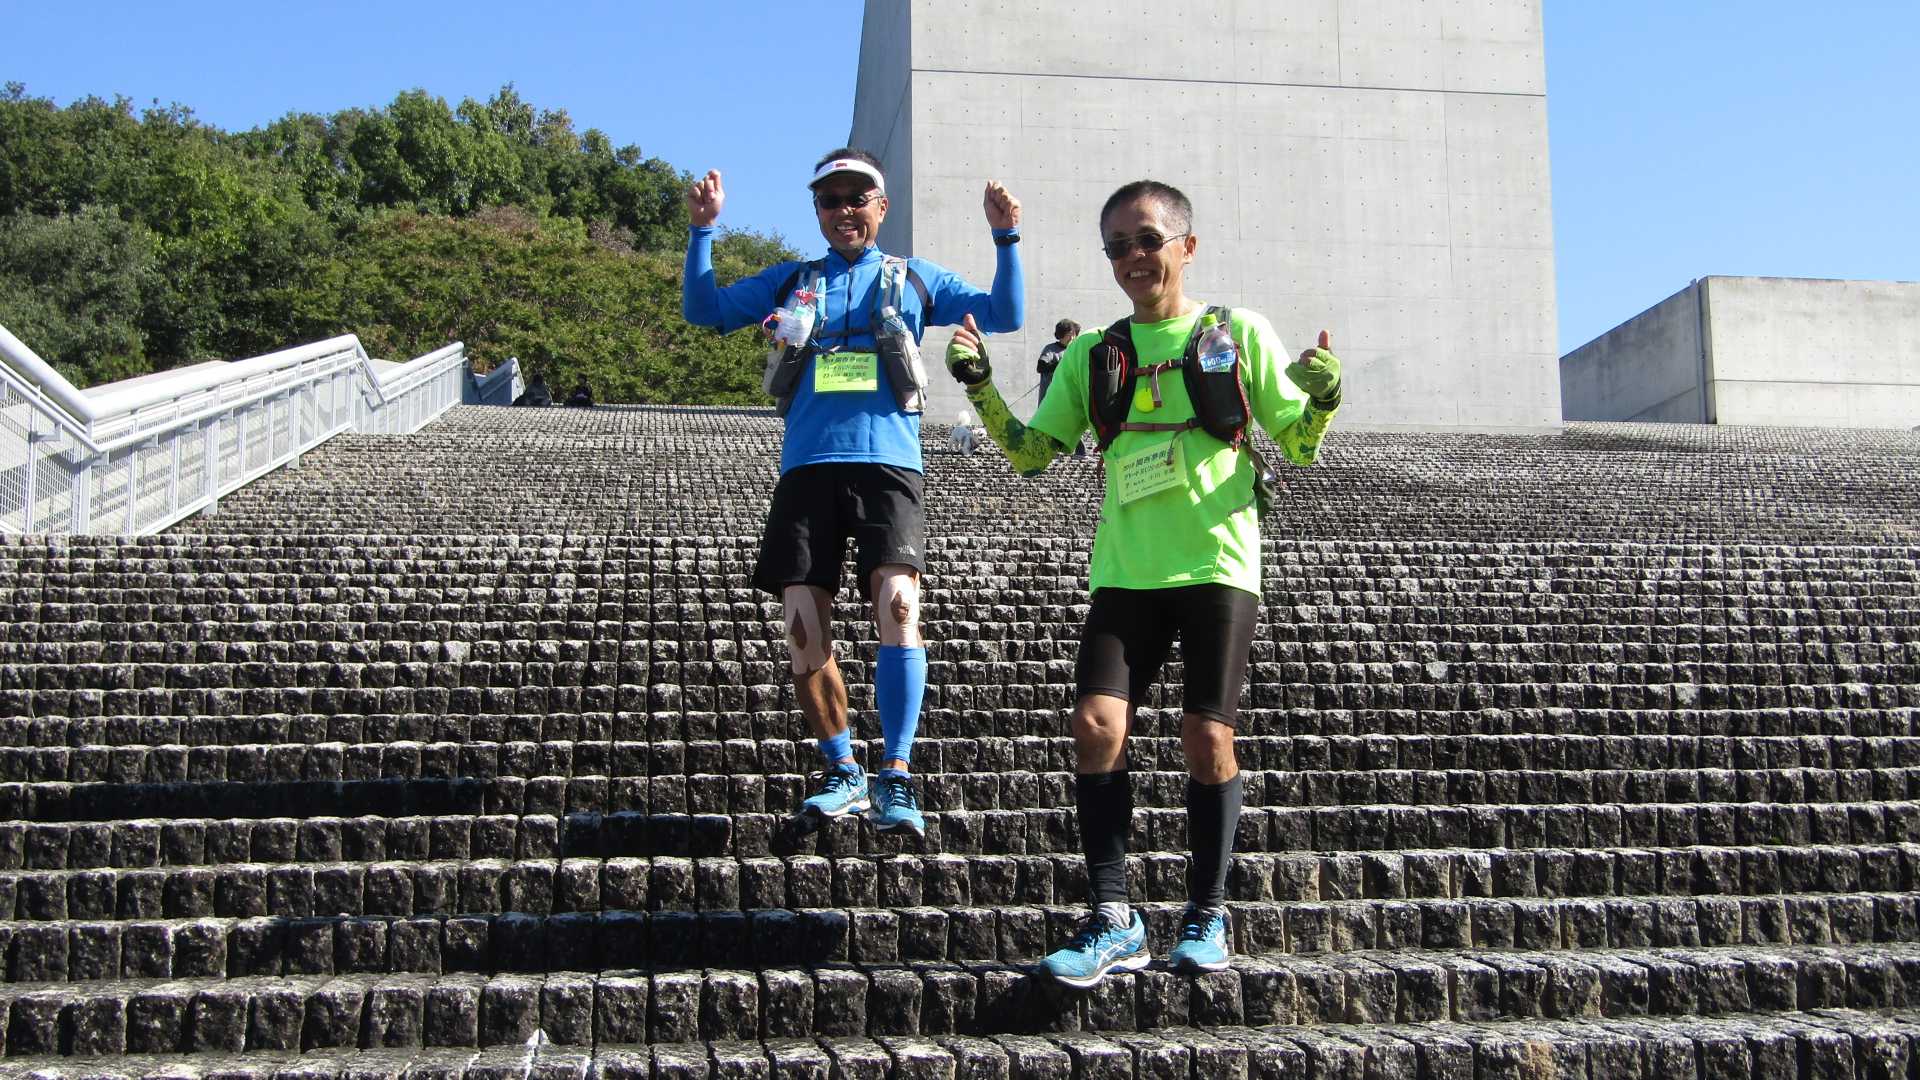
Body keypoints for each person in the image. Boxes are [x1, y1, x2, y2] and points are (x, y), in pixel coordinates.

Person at [946, 179, 1343, 987]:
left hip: (1218, 565)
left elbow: (1299, 444)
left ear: (1186, 248)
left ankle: (1207, 910)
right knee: (1095, 725)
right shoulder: (1094, 352)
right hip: (1126, 572)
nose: (1134, 257)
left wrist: (1327, 397)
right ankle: (1113, 917)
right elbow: (1030, 454)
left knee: (1207, 739)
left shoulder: (1237, 333)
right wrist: (980, 385)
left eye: (1149, 240)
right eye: (1118, 246)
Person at [682, 149, 1024, 839]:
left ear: (881, 207)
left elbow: (1005, 313)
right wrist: (702, 230)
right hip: (807, 466)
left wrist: (1005, 237)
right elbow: (704, 310)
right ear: (817, 211)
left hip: (889, 465)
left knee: (899, 606)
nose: (844, 210)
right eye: (830, 199)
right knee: (801, 625)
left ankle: (895, 773)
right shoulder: (793, 280)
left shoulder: (914, 277)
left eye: (856, 197)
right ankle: (842, 768)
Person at [1036, 319, 1087, 456]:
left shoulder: (1074, 350)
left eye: (1074, 334)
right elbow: (1041, 367)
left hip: (1069, 394)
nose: (1072, 337)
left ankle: (1080, 450)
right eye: (1070, 334)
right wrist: (1060, 365)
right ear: (1062, 334)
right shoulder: (1051, 349)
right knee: (1049, 424)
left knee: (1071, 422)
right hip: (1051, 395)